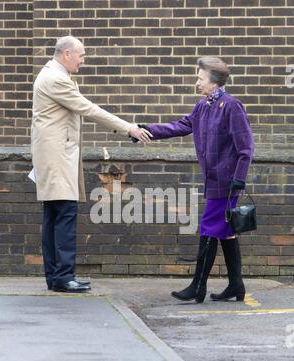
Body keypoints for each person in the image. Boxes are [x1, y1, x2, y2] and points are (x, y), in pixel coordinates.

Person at [31, 36, 152, 293]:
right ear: (66, 54)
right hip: (57, 158)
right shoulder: (56, 79)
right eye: (81, 56)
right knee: (64, 214)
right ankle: (63, 277)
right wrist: (128, 127)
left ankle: (55, 276)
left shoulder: (51, 74)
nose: (83, 61)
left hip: (54, 156)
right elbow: (89, 109)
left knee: (54, 215)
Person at [137, 57, 254, 304]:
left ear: (213, 81)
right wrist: (147, 130)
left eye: (200, 78)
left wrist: (239, 180)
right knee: (225, 232)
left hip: (227, 183)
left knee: (211, 229)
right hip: (213, 181)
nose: (197, 82)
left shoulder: (231, 106)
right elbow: (180, 126)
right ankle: (236, 285)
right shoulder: (203, 107)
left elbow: (246, 148)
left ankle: (197, 286)